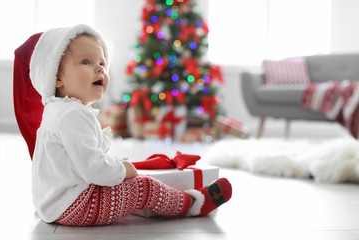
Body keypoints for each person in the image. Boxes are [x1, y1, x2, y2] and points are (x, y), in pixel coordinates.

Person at [13, 24, 232, 226]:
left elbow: (77, 162)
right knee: (145, 187)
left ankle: (168, 202)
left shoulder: (57, 110)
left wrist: (112, 165)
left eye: (102, 63)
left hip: (52, 204)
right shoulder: (73, 115)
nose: (99, 69)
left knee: (123, 183)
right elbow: (92, 169)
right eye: (86, 62)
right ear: (56, 78)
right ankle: (193, 203)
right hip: (75, 206)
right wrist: (122, 170)